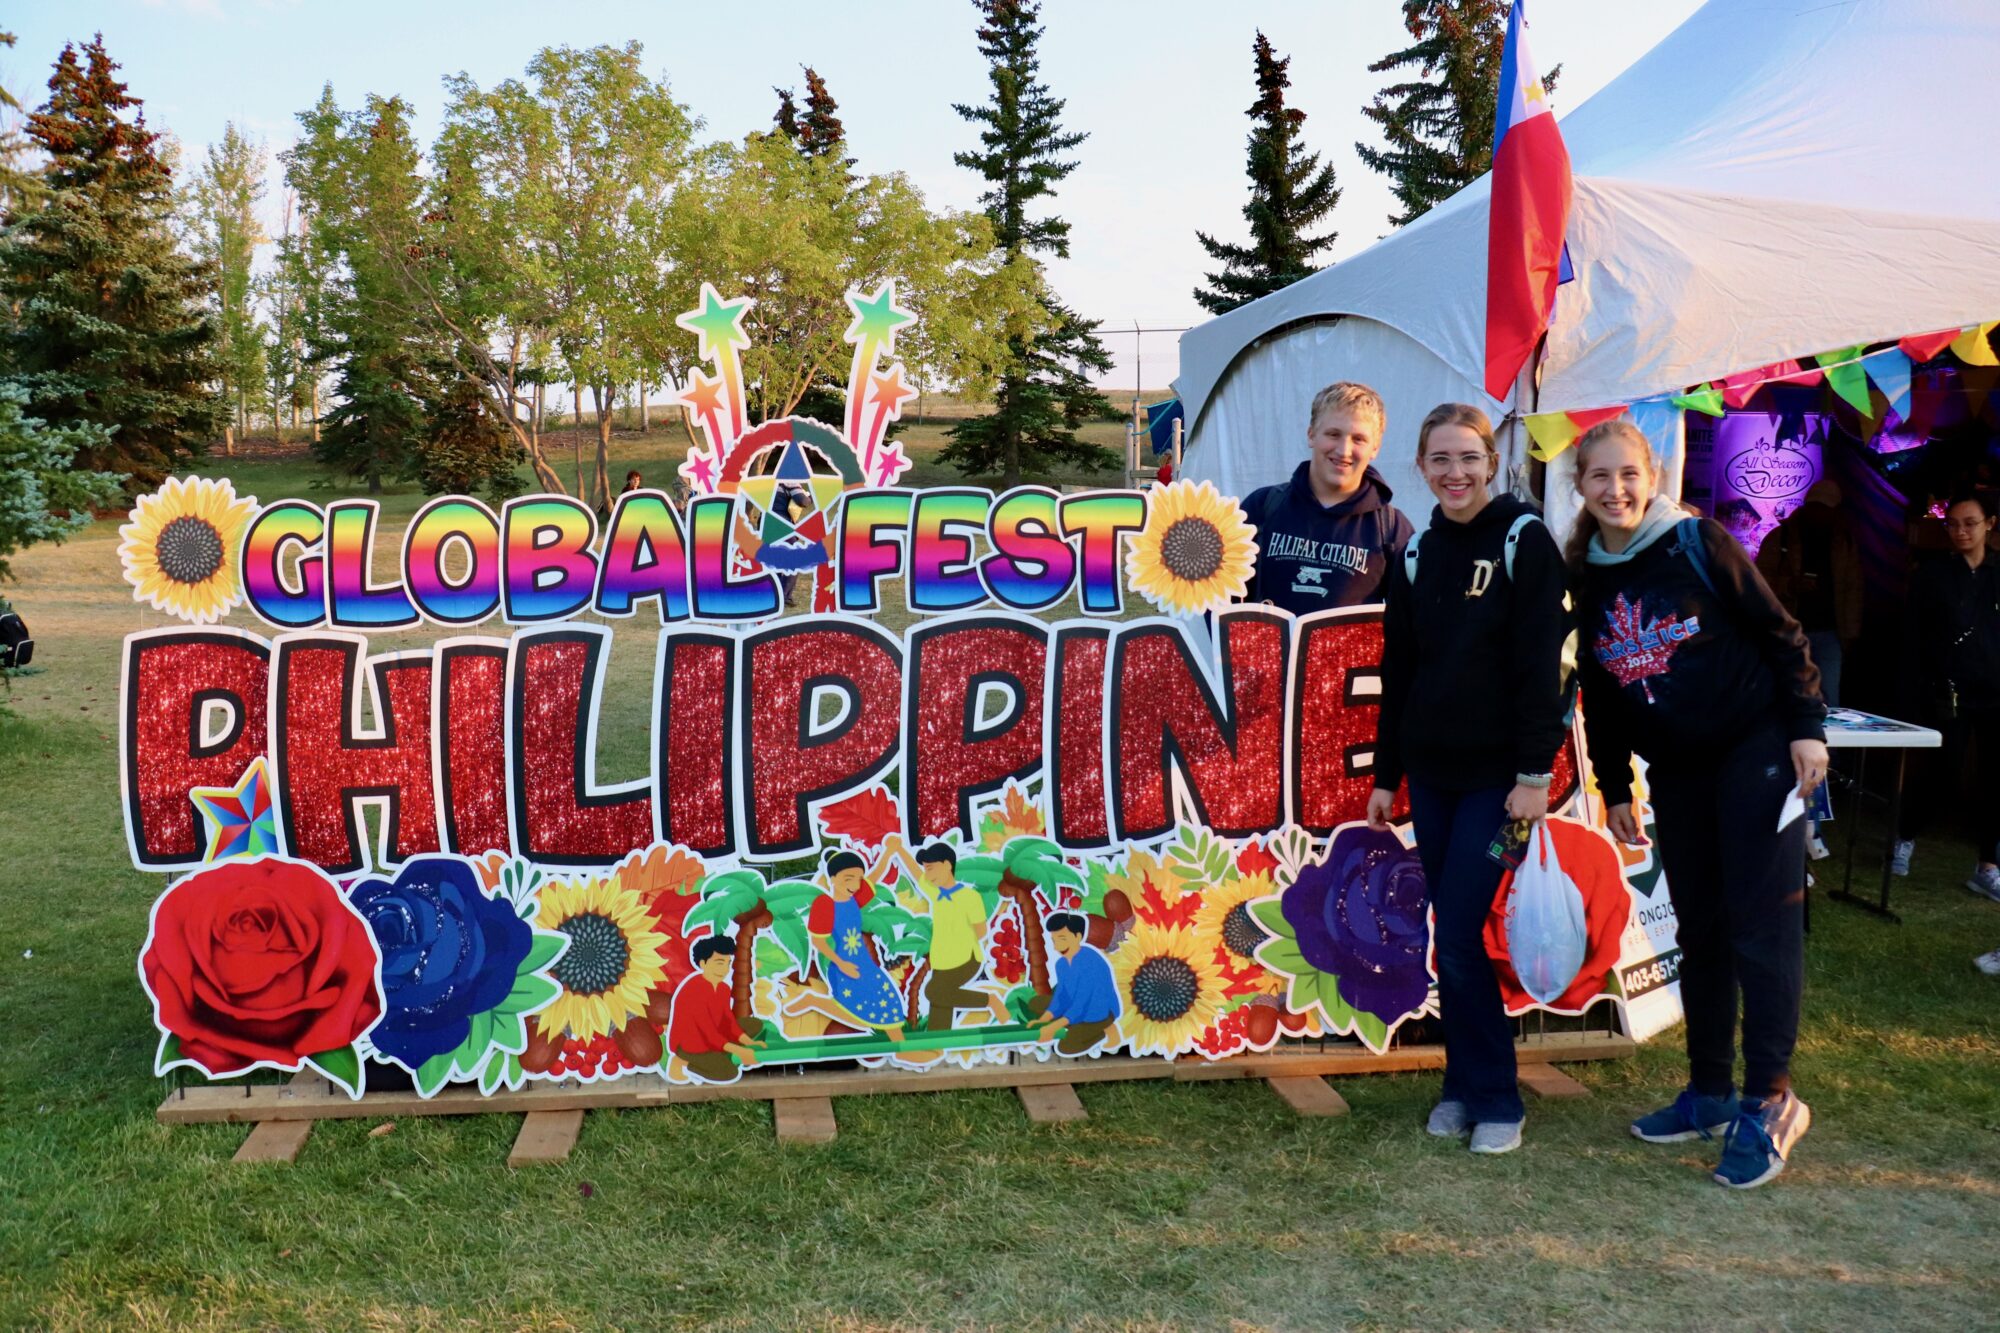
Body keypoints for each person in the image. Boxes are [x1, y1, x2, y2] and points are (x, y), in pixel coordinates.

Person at [1565, 419, 1828, 1190]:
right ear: (1579, 487)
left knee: (1761, 926)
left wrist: (1806, 728)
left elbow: (1783, 634)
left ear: (1652, 477)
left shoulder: (1696, 543)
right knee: (1700, 929)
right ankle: (1711, 1088)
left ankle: (1771, 1097)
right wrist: (1614, 785)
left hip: (1754, 749)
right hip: (1677, 768)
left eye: (1628, 475)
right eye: (1599, 477)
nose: (1615, 490)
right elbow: (1604, 690)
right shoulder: (1588, 568)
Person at [1365, 403, 1570, 1158]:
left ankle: (1498, 1098)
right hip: (1435, 779)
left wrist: (1532, 774)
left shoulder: (1523, 539)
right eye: (1440, 459)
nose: (1455, 473)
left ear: (1492, 462)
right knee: (1447, 936)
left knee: (1457, 928)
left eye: (1469, 458)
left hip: (1502, 785)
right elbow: (1402, 673)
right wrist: (1389, 775)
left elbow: (1544, 664)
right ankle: (1461, 1085)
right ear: (1420, 468)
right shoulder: (1418, 556)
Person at [1893, 491, 2000, 910]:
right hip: (1948, 689)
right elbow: (1913, 639)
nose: (1960, 531)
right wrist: (1911, 692)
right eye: (1953, 524)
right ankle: (1905, 836)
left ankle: (1987, 865)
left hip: (1995, 690)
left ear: (1989, 523)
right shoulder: (1932, 576)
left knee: (1997, 779)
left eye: (1970, 523)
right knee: (1943, 772)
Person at [1243, 381, 1416, 612]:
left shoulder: (1392, 530)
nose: (1344, 450)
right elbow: (1219, 598)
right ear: (1311, 434)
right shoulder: (1262, 508)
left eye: (1359, 439)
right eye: (1333, 434)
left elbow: (1410, 620)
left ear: (1375, 448)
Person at [884, 834, 1011, 1029]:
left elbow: (981, 930)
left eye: (931, 868)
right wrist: (899, 849)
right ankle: (936, 1044)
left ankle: (990, 1001)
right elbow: (915, 874)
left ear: (947, 865)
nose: (927, 874)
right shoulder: (936, 894)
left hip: (966, 959)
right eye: (926, 869)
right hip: (942, 961)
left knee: (934, 991)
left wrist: (958, 942)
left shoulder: (970, 896)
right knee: (940, 1006)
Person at [1756, 480, 1861, 706]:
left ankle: (1827, 740)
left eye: (1825, 508)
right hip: (1789, 629)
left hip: (1830, 632)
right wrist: (1791, 586)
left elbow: (1853, 588)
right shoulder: (1780, 537)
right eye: (1815, 506)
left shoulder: (1844, 541)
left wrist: (1850, 632)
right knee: (1785, 692)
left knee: (1829, 697)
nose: (1819, 513)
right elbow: (1759, 583)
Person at [808, 850, 908, 1041]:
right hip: (844, 965)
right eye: (848, 879)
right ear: (833, 878)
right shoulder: (824, 904)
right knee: (862, 1009)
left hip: (864, 963)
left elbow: (876, 876)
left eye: (859, 879)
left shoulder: (854, 900)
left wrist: (888, 851)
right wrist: (841, 964)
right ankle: (901, 1046)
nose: (855, 885)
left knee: (888, 1002)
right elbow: (818, 941)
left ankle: (901, 1046)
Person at [665, 936, 768, 1083]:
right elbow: (708, 1033)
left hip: (715, 1034)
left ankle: (721, 1053)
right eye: (719, 963)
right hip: (692, 1045)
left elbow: (729, 1021)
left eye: (728, 963)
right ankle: (683, 1063)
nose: (725, 969)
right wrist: (740, 1051)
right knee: (728, 1072)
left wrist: (749, 1042)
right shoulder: (693, 991)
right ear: (703, 963)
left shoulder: (723, 988)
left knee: (754, 1024)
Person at [1025, 913, 1121, 1056]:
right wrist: (1042, 1021)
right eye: (1054, 940)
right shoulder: (1061, 964)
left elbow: (1081, 1004)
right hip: (1075, 1007)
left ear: (1078, 937)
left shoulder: (1090, 962)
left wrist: (1052, 1027)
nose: (1057, 945)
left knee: (1067, 1046)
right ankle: (1073, 1024)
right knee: (1036, 1003)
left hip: (1099, 1012)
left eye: (1062, 939)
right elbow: (1061, 997)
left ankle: (1107, 1030)